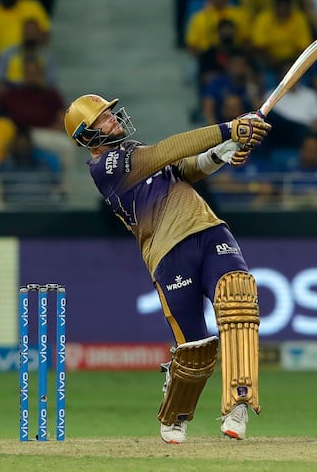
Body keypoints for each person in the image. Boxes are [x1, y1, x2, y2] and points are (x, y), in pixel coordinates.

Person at [63, 93, 272, 444]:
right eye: (103, 118)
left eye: (110, 113)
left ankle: (238, 403)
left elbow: (184, 169)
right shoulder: (106, 169)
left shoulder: (135, 152)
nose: (114, 119)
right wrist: (228, 129)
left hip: (209, 230)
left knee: (238, 300)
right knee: (196, 349)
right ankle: (176, 410)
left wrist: (218, 154)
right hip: (168, 251)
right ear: (86, 137)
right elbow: (168, 152)